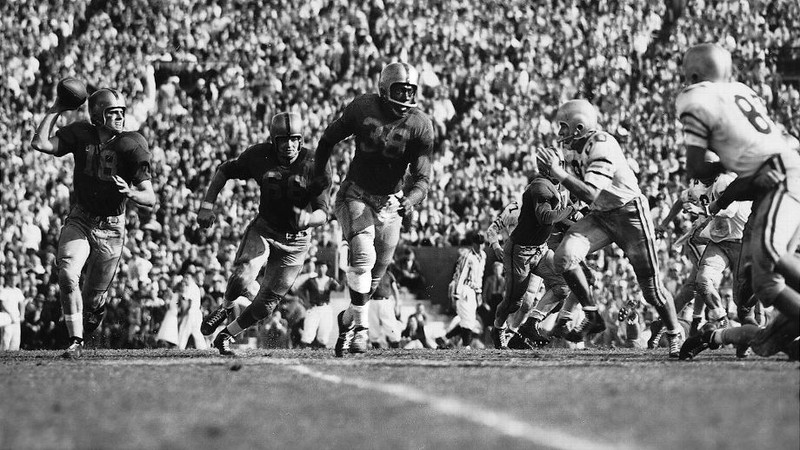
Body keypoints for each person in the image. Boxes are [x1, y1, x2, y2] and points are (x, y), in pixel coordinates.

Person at [676, 42, 800, 357]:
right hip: (782, 172)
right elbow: (741, 185)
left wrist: (726, 164)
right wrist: (720, 201)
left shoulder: (696, 97)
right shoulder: (741, 91)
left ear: (691, 74)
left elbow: (696, 167)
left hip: (780, 175)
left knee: (769, 261)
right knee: (766, 314)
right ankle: (713, 337)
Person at [537, 99, 683, 357]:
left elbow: (591, 192)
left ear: (579, 128)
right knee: (564, 257)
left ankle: (673, 332)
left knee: (652, 291)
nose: (559, 134)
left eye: (563, 127)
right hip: (601, 215)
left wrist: (558, 173)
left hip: (630, 215)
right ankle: (592, 315)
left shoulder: (602, 144)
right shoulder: (573, 149)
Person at [312, 61, 434, 356]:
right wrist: (321, 178)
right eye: (399, 91)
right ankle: (362, 331)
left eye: (409, 91)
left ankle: (348, 319)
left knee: (374, 278)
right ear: (383, 89)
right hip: (356, 193)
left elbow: (422, 178)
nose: (404, 99)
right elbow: (327, 140)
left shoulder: (420, 124)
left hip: (390, 203)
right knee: (363, 256)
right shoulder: (362, 108)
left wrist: (410, 199)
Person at [30, 86, 156, 358]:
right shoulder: (81, 133)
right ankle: (75, 341)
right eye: (114, 113)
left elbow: (150, 197)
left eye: (122, 112)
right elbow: (40, 143)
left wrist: (132, 192)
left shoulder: (132, 143)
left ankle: (92, 313)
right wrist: (56, 109)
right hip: (81, 219)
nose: (120, 118)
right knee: (66, 272)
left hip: (111, 228)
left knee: (92, 300)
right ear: (98, 115)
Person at [197, 112, 331, 356]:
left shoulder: (314, 162)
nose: (289, 145)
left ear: (301, 141)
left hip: (297, 241)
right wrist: (207, 205)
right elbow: (224, 170)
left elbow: (324, 211)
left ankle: (226, 335)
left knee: (265, 305)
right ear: (273, 141)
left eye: (294, 139)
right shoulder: (259, 155)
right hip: (266, 229)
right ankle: (225, 307)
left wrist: (309, 220)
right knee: (243, 274)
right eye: (283, 140)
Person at [491, 152, 576, 350]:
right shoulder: (539, 186)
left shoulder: (555, 186)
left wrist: (580, 220)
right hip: (520, 253)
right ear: (548, 167)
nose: (562, 168)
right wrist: (572, 210)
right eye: (558, 164)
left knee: (563, 285)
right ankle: (497, 328)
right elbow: (546, 217)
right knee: (513, 303)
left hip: (540, 249)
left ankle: (531, 324)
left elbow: (560, 219)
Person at [446, 230, 487, 348]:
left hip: (474, 290)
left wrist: (479, 292)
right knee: (467, 319)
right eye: (477, 243)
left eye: (482, 243)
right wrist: (456, 294)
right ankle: (466, 345)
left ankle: (447, 337)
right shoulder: (467, 256)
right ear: (473, 244)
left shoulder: (483, 256)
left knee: (470, 319)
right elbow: (461, 276)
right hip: (464, 288)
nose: (480, 246)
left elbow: (480, 276)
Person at [297, 260, 339, 349]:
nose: (321, 269)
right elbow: (299, 290)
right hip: (313, 307)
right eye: (319, 266)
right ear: (316, 268)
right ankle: (303, 348)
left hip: (325, 307)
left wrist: (344, 280)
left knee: (325, 329)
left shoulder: (330, 281)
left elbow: (339, 289)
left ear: (326, 268)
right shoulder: (311, 281)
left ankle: (322, 348)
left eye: (323, 266)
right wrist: (306, 302)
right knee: (309, 329)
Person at [368, 270, 403, 349]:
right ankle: (375, 346)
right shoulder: (370, 272)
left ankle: (395, 345)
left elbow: (395, 290)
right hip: (372, 301)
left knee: (390, 323)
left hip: (385, 301)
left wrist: (397, 304)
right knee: (373, 325)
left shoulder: (388, 274)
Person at [0, 273, 26, 351]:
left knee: (16, 338)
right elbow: (2, 304)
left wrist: (22, 315)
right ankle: (3, 354)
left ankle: (14, 355)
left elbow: (22, 303)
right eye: (12, 279)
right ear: (8, 280)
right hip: (7, 317)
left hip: (16, 317)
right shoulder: (4, 291)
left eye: (15, 280)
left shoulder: (18, 291)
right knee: (6, 337)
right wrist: (10, 314)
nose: (13, 281)